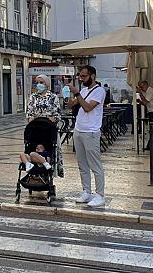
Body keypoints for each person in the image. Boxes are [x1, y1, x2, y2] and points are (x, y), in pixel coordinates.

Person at [67, 65, 106, 207]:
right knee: (82, 164)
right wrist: (70, 97)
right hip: (78, 130)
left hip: (91, 131)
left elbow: (88, 107)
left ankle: (100, 195)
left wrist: (77, 94)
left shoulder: (99, 91)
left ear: (93, 76)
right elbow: (71, 106)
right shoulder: (83, 90)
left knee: (95, 165)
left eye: (84, 76)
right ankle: (86, 191)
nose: (81, 78)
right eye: (80, 76)